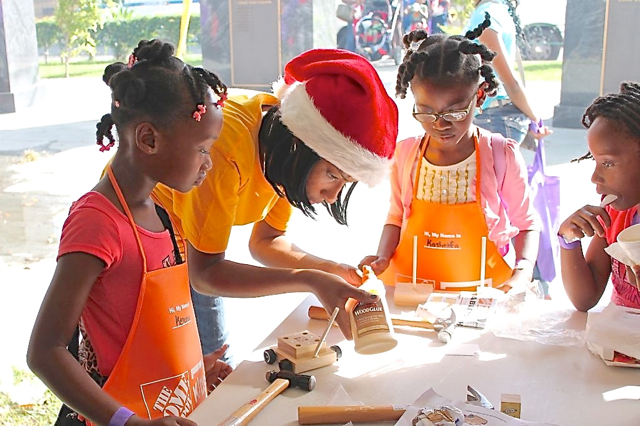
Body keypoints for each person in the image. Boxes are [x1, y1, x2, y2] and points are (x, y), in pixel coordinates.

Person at [27, 40, 233, 425]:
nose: (208, 164)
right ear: (149, 139)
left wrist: (192, 372)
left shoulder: (165, 214)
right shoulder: (96, 220)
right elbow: (45, 352)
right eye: (203, 149)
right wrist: (128, 423)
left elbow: (142, 334)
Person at [151, 48, 399, 355]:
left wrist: (330, 271)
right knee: (182, 366)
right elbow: (206, 274)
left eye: (344, 183)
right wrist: (311, 281)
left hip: (192, 249)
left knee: (212, 361)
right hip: (145, 238)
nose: (332, 196)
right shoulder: (226, 150)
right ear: (301, 146)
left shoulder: (285, 154)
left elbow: (266, 241)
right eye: (333, 175)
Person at [358, 25, 540, 292]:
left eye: (454, 113)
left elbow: (527, 223)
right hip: (412, 291)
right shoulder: (406, 154)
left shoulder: (501, 155)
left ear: (478, 97)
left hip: (481, 292)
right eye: (426, 112)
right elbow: (396, 216)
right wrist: (382, 257)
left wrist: (522, 270)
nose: (440, 124)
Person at [558, 82, 640, 311]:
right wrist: (568, 240)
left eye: (607, 163)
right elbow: (584, 299)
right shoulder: (616, 215)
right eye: (594, 161)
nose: (595, 177)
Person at [465, 0, 551, 144]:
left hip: (493, 117)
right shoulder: (498, 11)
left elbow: (509, 81)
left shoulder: (486, 16)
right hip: (499, 116)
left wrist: (534, 118)